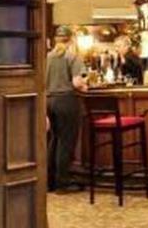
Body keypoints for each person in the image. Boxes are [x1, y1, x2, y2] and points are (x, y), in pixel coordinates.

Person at [46, 25, 87, 191]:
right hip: (66, 101)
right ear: (71, 39)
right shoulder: (73, 56)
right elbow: (77, 83)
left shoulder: (47, 57)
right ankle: (62, 182)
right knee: (66, 142)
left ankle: (50, 182)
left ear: (56, 39)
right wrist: (84, 86)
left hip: (49, 101)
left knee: (54, 140)